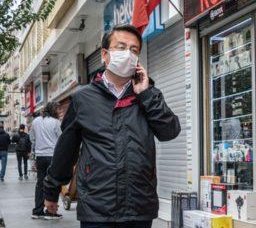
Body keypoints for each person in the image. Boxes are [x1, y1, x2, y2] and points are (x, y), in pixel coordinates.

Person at [43, 24, 181, 228]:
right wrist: (51, 190)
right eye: (121, 47)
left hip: (139, 207)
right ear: (105, 55)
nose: (128, 54)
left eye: (134, 50)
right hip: (97, 208)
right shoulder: (83, 98)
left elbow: (170, 131)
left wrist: (146, 94)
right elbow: (66, 148)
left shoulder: (148, 94)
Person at [30, 101, 62, 220]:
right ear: (53, 110)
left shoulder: (36, 121)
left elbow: (32, 138)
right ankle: (50, 212)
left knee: (40, 183)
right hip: (53, 156)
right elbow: (61, 139)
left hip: (40, 156)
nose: (59, 112)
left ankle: (37, 211)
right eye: (58, 109)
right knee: (53, 184)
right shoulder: (56, 122)